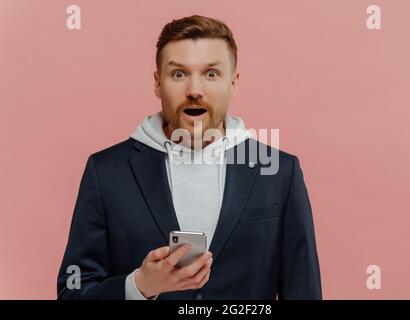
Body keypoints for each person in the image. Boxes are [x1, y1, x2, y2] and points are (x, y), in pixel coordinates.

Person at [57, 15, 322, 300]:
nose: (195, 90)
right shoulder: (107, 171)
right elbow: (73, 292)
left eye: (211, 74)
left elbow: (303, 290)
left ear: (233, 82)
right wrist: (139, 287)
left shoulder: (280, 172)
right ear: (158, 84)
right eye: (179, 74)